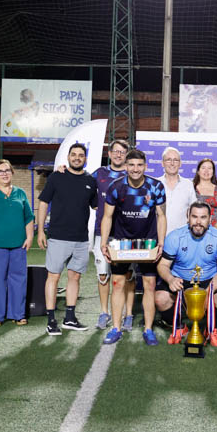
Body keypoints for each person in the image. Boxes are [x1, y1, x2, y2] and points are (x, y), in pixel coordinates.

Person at [100, 148, 167, 346]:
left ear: (145, 166)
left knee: (149, 285)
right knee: (118, 284)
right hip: (121, 242)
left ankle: (148, 329)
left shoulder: (156, 186)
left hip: (148, 241)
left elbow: (161, 216)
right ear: (126, 166)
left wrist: (161, 242)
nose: (135, 169)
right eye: (131, 165)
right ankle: (116, 328)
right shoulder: (115, 187)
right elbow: (107, 216)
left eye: (139, 165)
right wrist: (104, 242)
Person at [37, 144, 97, 335]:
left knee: (75, 277)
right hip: (58, 237)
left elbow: (97, 206)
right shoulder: (56, 177)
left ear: (85, 159)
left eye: (81, 155)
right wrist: (40, 231)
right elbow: (44, 202)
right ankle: (51, 320)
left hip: (80, 239)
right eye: (74, 155)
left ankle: (69, 318)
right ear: (68, 157)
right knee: (53, 277)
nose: (77, 158)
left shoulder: (90, 181)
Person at [156, 201, 217, 346]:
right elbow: (163, 265)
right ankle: (179, 328)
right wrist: (170, 279)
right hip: (180, 279)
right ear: (188, 217)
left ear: (210, 219)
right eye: (194, 217)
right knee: (161, 299)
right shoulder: (174, 237)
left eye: (203, 217)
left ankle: (210, 329)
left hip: (208, 279)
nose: (198, 222)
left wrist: (209, 291)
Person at [91, 140, 136, 330]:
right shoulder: (98, 174)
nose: (118, 155)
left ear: (126, 155)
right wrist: (63, 169)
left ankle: (128, 314)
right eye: (115, 151)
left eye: (122, 152)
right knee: (103, 275)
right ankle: (104, 313)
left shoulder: (133, 174)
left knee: (129, 275)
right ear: (109, 153)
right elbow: (81, 186)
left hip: (127, 234)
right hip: (103, 232)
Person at [0, 159, 34, 327]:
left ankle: (18, 314)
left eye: (7, 170)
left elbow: (28, 217)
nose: (4, 174)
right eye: (0, 171)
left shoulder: (20, 193)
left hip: (18, 245)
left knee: (18, 280)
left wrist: (29, 237)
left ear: (12, 172)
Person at [160, 147, 197, 232]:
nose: (172, 163)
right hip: (158, 237)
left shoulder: (188, 184)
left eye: (176, 160)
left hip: (182, 237)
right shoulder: (156, 184)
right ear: (162, 163)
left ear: (180, 164)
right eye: (168, 160)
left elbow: (194, 210)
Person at [193, 158, 217, 228]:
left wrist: (213, 230)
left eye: (209, 168)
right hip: (195, 229)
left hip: (216, 230)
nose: (206, 171)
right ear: (198, 171)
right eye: (203, 168)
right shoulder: (191, 188)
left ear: (213, 172)